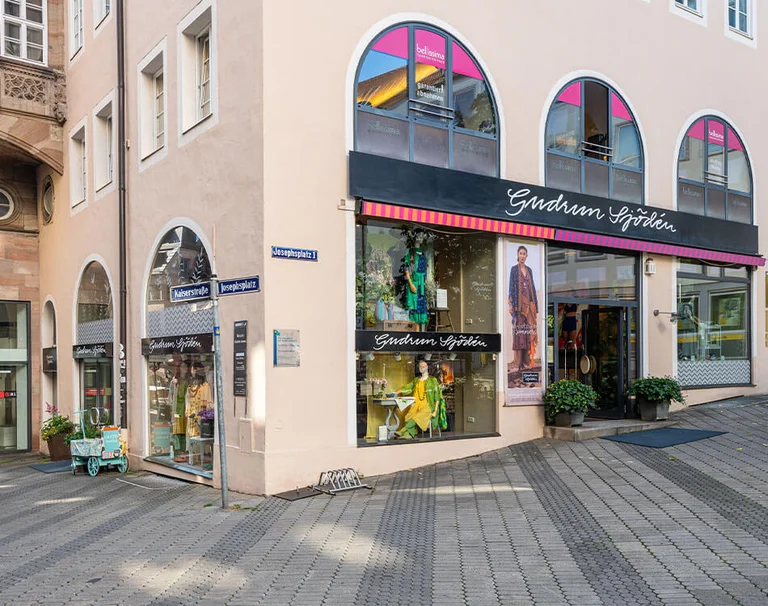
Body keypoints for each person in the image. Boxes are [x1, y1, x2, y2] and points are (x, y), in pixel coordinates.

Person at [388, 359, 446, 439]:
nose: (421, 368)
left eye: (423, 366)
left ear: (427, 367)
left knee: (418, 416)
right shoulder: (416, 380)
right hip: (416, 404)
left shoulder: (433, 380)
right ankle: (409, 434)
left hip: (429, 406)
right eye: (420, 366)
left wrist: (435, 411)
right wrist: (397, 392)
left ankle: (402, 430)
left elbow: (437, 396)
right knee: (408, 415)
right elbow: (408, 387)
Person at [508, 245, 539, 371]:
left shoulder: (529, 270)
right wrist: (511, 304)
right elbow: (511, 286)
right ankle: (518, 363)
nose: (522, 256)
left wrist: (535, 306)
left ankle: (526, 362)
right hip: (518, 308)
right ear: (518, 255)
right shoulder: (514, 270)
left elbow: (533, 289)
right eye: (520, 253)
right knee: (519, 334)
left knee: (527, 334)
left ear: (526, 256)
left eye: (524, 254)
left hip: (529, 308)